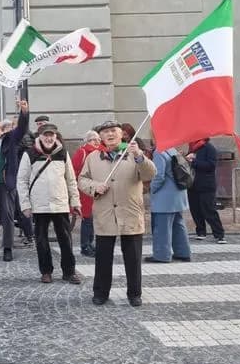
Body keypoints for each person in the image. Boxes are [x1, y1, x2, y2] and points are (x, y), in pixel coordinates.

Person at [78, 120, 156, 307]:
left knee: (133, 258)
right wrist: (95, 186)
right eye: (105, 132)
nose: (110, 135)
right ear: (100, 137)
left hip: (129, 212)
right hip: (105, 213)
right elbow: (82, 179)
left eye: (113, 131)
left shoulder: (134, 154)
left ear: (122, 134)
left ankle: (134, 293)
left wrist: (139, 156)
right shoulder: (93, 157)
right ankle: (101, 292)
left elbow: (150, 174)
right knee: (103, 258)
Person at [17, 122, 82, 284]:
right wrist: (25, 204)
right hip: (39, 204)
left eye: (51, 135)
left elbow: (71, 180)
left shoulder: (63, 153)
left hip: (60, 203)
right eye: (45, 135)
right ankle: (46, 271)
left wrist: (75, 201)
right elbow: (22, 181)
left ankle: (69, 271)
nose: (48, 138)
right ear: (40, 136)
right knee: (41, 240)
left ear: (55, 136)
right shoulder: (30, 154)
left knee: (66, 240)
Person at [0, 100, 29, 262]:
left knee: (7, 216)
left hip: (5, 185)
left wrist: (23, 113)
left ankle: (7, 248)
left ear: (1, 130)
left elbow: (21, 129)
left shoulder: (9, 140)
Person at [147, 148, 193, 263]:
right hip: (178, 193)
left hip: (164, 196)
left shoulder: (159, 152)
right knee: (178, 225)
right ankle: (183, 252)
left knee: (162, 228)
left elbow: (158, 176)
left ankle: (162, 255)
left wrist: (151, 189)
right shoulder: (173, 150)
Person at [186, 138, 226, 243]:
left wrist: (194, 161)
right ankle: (201, 231)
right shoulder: (192, 148)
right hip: (193, 184)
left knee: (209, 210)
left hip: (206, 185)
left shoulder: (209, 148)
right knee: (195, 209)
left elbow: (211, 165)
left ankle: (219, 234)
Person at [71, 130, 103, 257]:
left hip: (95, 189)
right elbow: (74, 170)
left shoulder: (101, 152)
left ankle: (90, 243)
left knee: (92, 219)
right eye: (94, 139)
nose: (97, 141)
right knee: (87, 219)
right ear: (88, 140)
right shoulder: (82, 152)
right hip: (84, 191)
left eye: (98, 139)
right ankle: (85, 245)